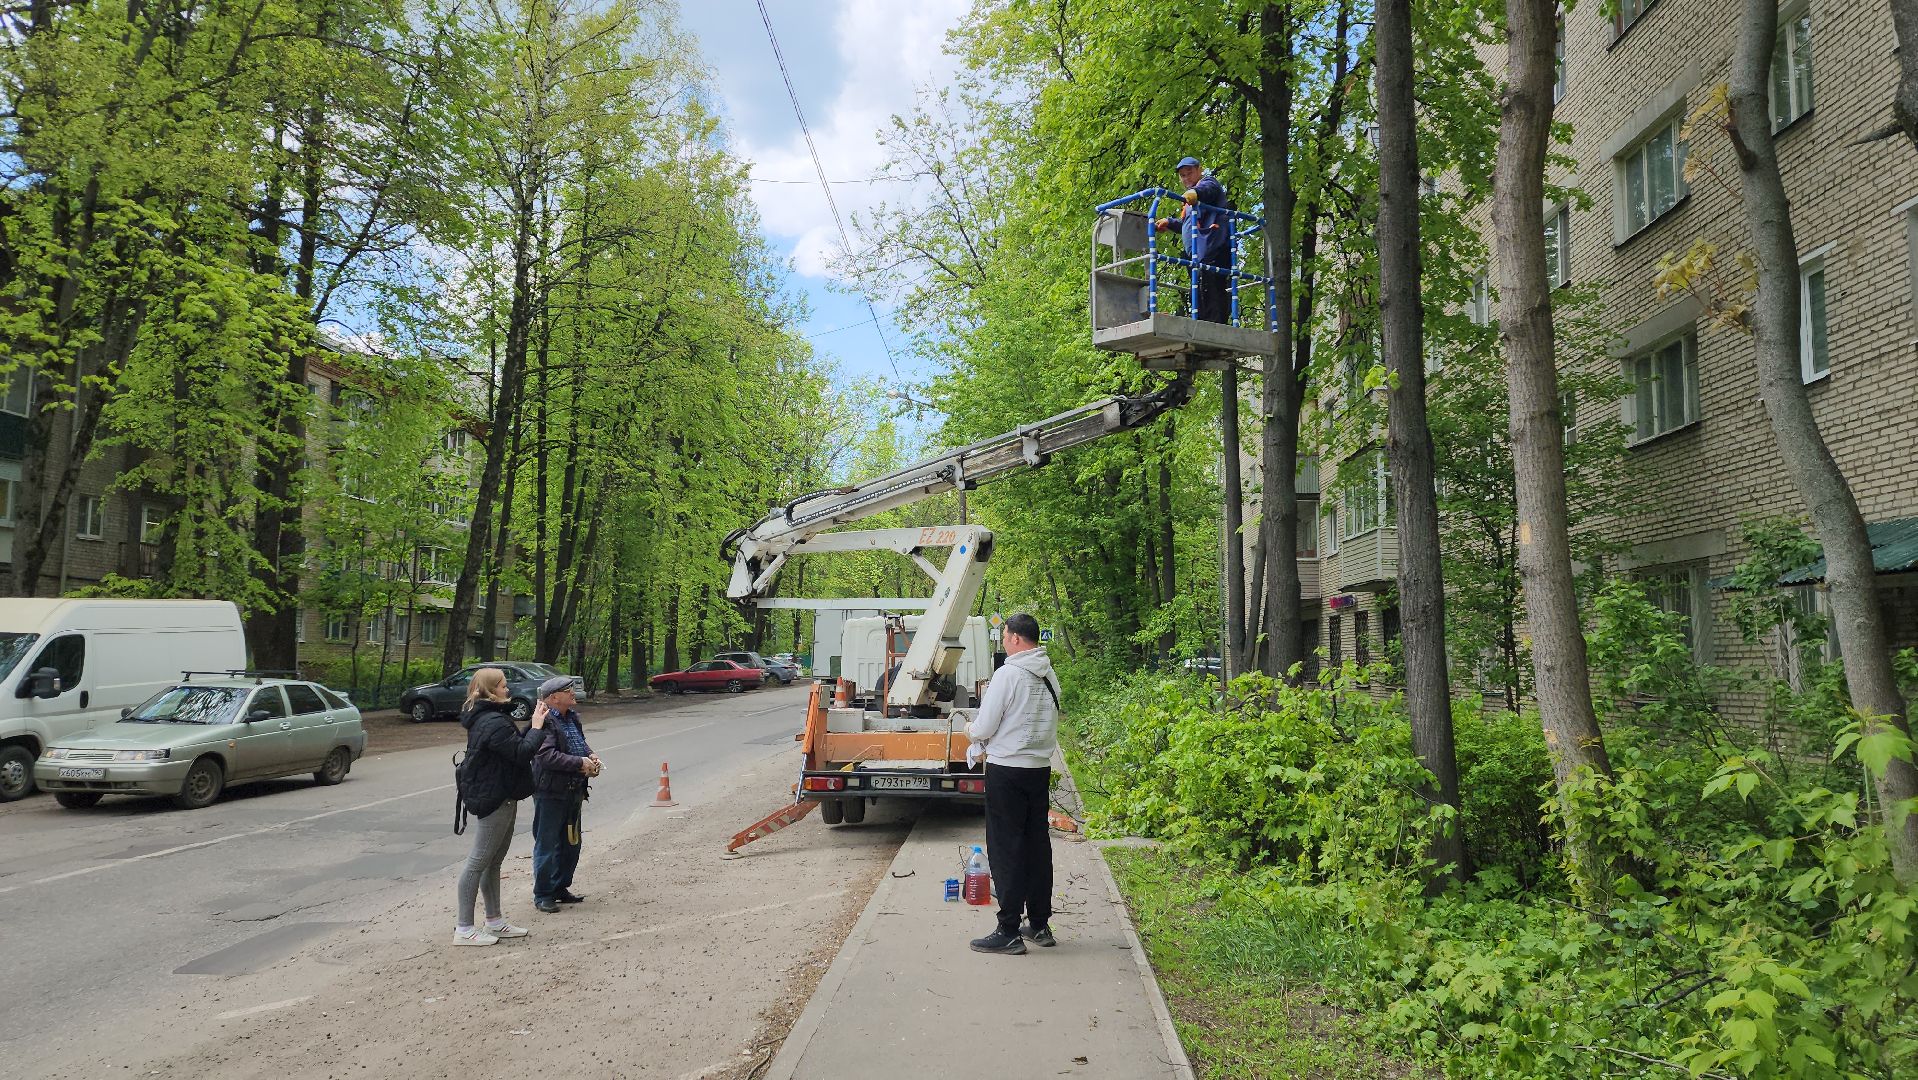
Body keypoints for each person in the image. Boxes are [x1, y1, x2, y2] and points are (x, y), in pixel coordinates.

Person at [964, 613, 1063, 955]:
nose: (1003, 640)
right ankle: (1038, 924)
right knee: (1037, 846)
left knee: (1007, 848)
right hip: (1038, 769)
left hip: (1007, 771)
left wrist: (971, 734)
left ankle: (1007, 929)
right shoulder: (1049, 674)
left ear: (1017, 639)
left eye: (1005, 635)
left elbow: (984, 725)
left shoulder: (1008, 675)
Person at [454, 667, 544, 946]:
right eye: (503, 685)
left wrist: (533, 725)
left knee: (493, 861)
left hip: (502, 793)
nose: (508, 689)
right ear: (491, 690)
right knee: (478, 862)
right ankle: (464, 929)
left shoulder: (491, 718)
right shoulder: (491, 721)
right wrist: (538, 727)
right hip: (495, 796)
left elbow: (514, 745)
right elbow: (521, 753)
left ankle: (494, 921)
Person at [530, 676, 601, 914]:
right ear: (553, 698)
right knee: (548, 844)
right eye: (567, 690)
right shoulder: (546, 722)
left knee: (571, 843)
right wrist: (579, 762)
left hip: (573, 790)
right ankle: (543, 894)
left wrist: (590, 756)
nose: (573, 692)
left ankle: (560, 887)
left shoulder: (572, 717)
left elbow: (580, 743)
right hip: (550, 792)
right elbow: (546, 757)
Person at [1154, 155, 1232, 324]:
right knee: (1199, 288)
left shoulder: (1208, 183)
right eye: (1182, 175)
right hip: (1198, 252)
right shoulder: (1191, 202)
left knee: (1213, 287)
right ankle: (1203, 322)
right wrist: (1169, 222)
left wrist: (1195, 192)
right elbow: (1187, 224)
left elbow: (1207, 190)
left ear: (1199, 170)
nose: (1186, 178)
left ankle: (1215, 326)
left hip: (1213, 247)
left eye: (1189, 173)